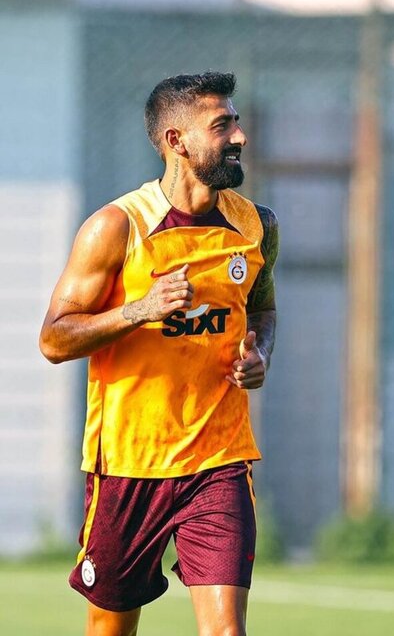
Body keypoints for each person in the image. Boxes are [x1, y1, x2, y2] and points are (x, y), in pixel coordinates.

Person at [39, 71, 279, 636]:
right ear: (177, 141)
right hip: (128, 466)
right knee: (110, 630)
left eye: (236, 121)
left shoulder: (256, 226)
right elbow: (54, 339)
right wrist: (139, 310)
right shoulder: (115, 227)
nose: (240, 136)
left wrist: (260, 355)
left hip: (218, 461)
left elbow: (263, 310)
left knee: (227, 631)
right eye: (222, 126)